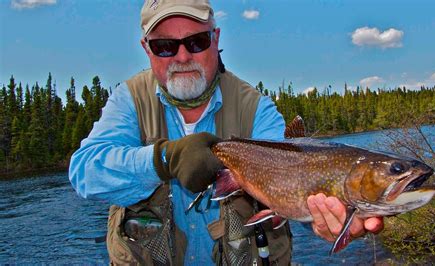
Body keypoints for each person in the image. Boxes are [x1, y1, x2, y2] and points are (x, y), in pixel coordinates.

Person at [69, 0, 383, 264]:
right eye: (165, 46)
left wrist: (329, 216)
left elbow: (293, 181)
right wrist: (164, 160)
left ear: (216, 39)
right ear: (147, 49)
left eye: (197, 42)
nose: (182, 56)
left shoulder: (256, 110)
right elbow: (85, 172)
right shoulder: (128, 101)